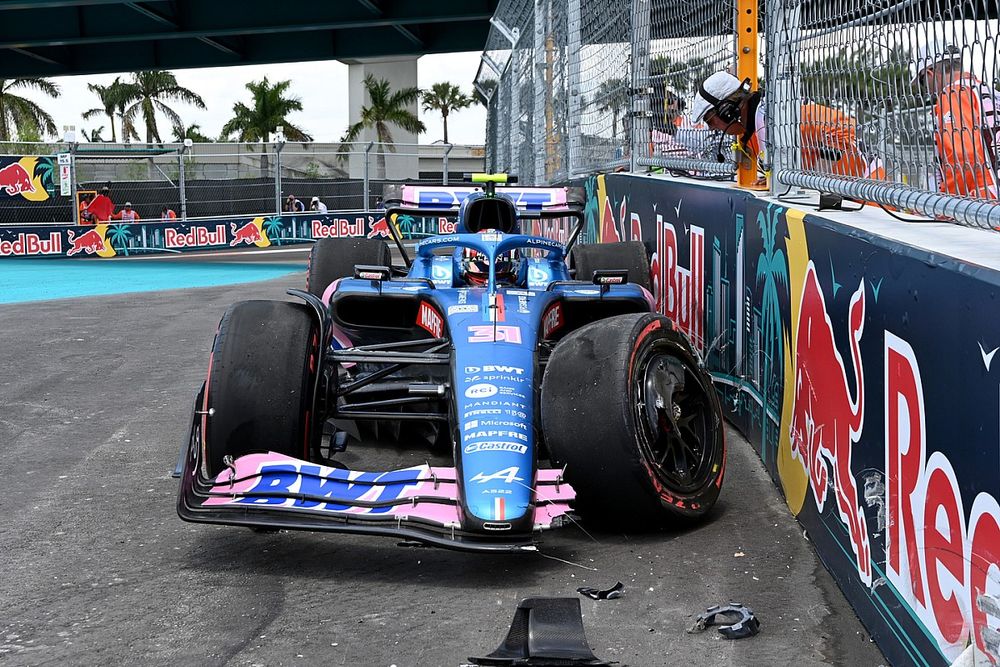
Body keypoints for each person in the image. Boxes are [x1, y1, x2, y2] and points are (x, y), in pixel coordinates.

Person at [691, 71, 877, 181]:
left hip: (867, 187)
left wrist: (819, 162)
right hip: (841, 195)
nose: (711, 128)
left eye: (710, 120)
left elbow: (845, 130)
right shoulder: (753, 131)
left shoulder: (783, 114)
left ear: (727, 110)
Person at [912, 41, 1000, 199]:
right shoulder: (987, 90)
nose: (926, 89)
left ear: (930, 73)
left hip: (986, 199)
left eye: (922, 81)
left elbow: (962, 156)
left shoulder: (953, 94)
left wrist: (949, 201)